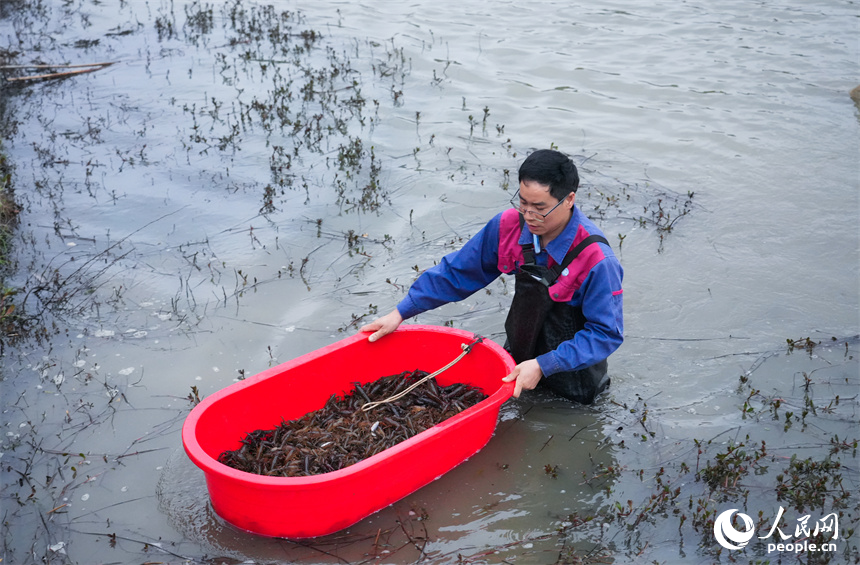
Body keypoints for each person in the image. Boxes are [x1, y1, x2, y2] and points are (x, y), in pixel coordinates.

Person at [359, 149, 623, 404]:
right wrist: (401, 312)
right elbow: (458, 272)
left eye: (539, 207)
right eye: (522, 202)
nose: (528, 215)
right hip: (518, 359)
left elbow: (605, 334)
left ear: (569, 199)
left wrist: (544, 365)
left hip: (575, 380)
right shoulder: (509, 225)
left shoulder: (598, 260)